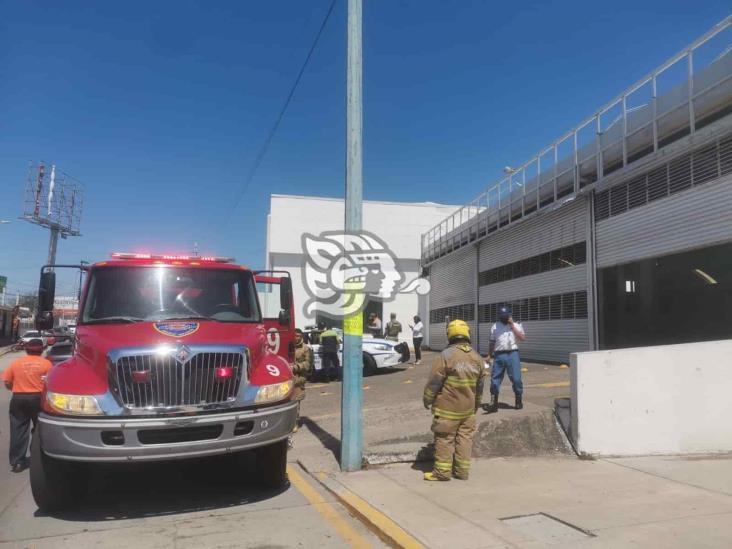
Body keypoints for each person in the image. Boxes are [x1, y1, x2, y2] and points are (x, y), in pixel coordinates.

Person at [422, 320, 486, 481]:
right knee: (465, 439)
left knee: (445, 438)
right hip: (468, 410)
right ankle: (462, 472)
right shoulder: (477, 358)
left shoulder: (446, 355)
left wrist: (427, 399)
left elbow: (434, 382)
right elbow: (480, 387)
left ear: (449, 335)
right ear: (467, 334)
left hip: (447, 409)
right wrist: (476, 405)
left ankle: (442, 473)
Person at [2, 339, 52, 472]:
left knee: (18, 429)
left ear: (26, 349)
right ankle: (38, 455)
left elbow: (7, 381)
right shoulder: (47, 364)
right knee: (40, 428)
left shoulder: (16, 363)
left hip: (19, 397)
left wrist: (16, 388)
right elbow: (51, 383)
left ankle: (18, 462)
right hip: (38, 398)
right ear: (41, 350)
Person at [487, 305, 526, 412]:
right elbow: (492, 342)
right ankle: (493, 403)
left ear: (509, 315)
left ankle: (518, 400)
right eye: (502, 316)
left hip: (513, 354)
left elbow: (522, 338)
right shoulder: (495, 326)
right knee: (495, 379)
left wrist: (512, 326)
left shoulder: (517, 325)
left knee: (516, 379)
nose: (504, 318)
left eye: (505, 316)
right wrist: (489, 355)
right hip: (499, 355)